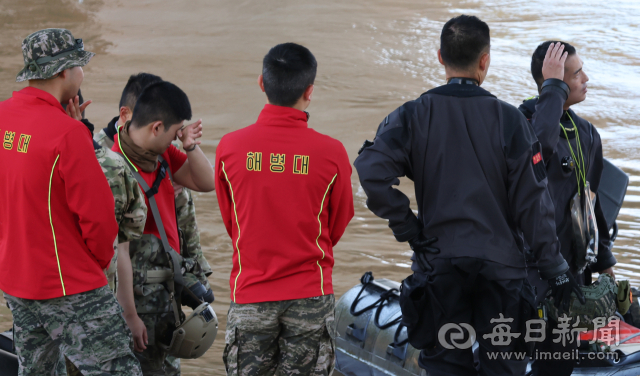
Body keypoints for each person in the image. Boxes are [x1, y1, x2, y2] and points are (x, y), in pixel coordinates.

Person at [354, 15, 583, 376]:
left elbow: (371, 171)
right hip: (502, 272)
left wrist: (409, 228)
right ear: (485, 60)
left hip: (440, 266)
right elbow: (533, 203)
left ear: (440, 56)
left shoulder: (412, 116)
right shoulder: (510, 121)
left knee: (445, 363)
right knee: (502, 364)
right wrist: (554, 266)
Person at [0, 28, 142, 375]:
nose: (82, 73)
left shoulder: (4, 116)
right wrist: (99, 263)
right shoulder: (67, 133)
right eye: (80, 66)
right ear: (64, 71)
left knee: (38, 371)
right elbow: (97, 217)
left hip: (16, 279)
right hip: (68, 281)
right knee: (119, 370)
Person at [215, 43, 354, 375]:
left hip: (250, 293)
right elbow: (338, 223)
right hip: (310, 295)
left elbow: (232, 220)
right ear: (310, 91)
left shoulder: (230, 148)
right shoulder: (332, 153)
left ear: (262, 83)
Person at [94, 74, 212, 374]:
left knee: (165, 366)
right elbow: (117, 249)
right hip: (135, 291)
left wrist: (189, 146)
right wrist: (129, 314)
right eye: (173, 131)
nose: (175, 137)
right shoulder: (112, 166)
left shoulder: (160, 155)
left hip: (165, 290)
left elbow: (207, 182)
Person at [519, 41, 617, 376]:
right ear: (554, 83)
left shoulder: (587, 133)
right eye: (576, 75)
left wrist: (605, 263)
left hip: (571, 269)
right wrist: (552, 90)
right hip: (530, 270)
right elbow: (536, 154)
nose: (586, 78)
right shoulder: (521, 126)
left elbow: (594, 205)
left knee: (558, 363)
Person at [62, 91, 148, 376]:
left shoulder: (23, 156)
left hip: (37, 297)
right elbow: (127, 235)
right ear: (79, 107)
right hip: (94, 301)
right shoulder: (112, 165)